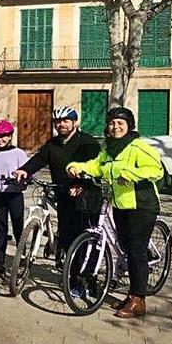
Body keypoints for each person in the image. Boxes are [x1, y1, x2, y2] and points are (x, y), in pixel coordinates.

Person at [66, 107, 163, 319]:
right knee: (127, 249)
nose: (115, 127)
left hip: (142, 205)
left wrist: (131, 174)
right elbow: (97, 166)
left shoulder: (138, 146)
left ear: (129, 126)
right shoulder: (108, 148)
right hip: (120, 204)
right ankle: (131, 295)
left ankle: (139, 300)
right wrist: (77, 166)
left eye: (120, 123)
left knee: (136, 252)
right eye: (112, 123)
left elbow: (156, 170)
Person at [13, 106, 101, 263]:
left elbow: (95, 166)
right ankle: (70, 272)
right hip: (63, 194)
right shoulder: (53, 144)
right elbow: (40, 159)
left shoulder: (88, 142)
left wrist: (81, 184)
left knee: (84, 238)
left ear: (74, 122)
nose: (61, 124)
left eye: (66, 121)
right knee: (67, 236)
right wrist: (25, 170)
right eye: (58, 122)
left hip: (86, 197)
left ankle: (87, 278)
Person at [0, 119, 29, 273]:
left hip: (15, 195)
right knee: (0, 228)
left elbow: (26, 170)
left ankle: (22, 256)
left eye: (4, 136)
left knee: (18, 226)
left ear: (11, 136)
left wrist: (24, 179)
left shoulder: (18, 153)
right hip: (0, 195)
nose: (0, 140)